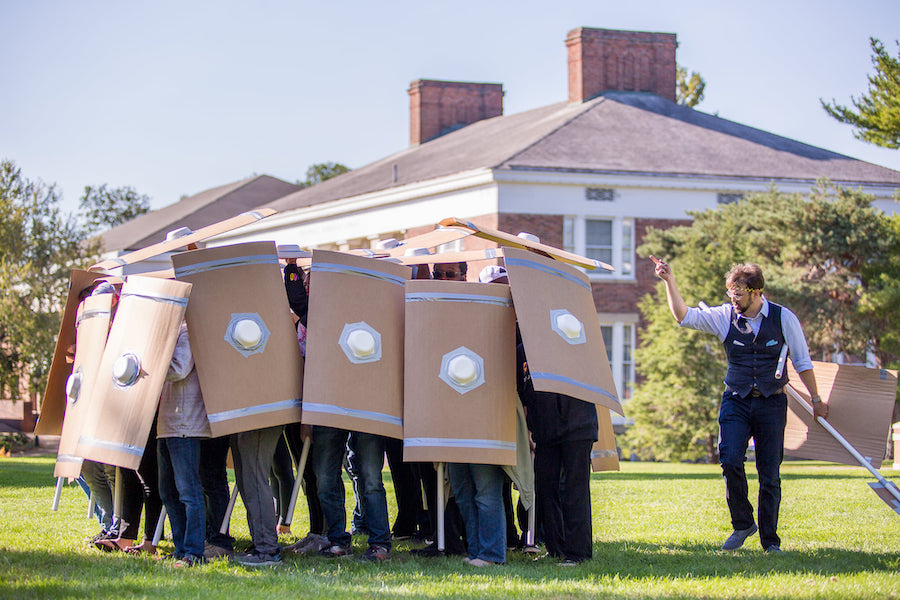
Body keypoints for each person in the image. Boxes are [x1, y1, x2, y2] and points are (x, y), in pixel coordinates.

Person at [653, 258, 828, 553]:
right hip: (735, 399)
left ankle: (770, 542)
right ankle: (743, 523)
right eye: (730, 293)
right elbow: (684, 316)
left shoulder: (785, 319)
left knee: (769, 473)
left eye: (739, 294)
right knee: (730, 459)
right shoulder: (725, 316)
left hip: (772, 403)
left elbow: (801, 362)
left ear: (757, 292)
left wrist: (817, 399)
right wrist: (669, 281)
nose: (733, 299)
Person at [156, 322, 210, 567]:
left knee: (189, 492)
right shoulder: (171, 329)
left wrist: (148, 362)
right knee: (167, 490)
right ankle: (180, 549)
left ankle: (194, 552)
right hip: (168, 423)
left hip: (185, 422)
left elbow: (178, 369)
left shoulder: (189, 330)